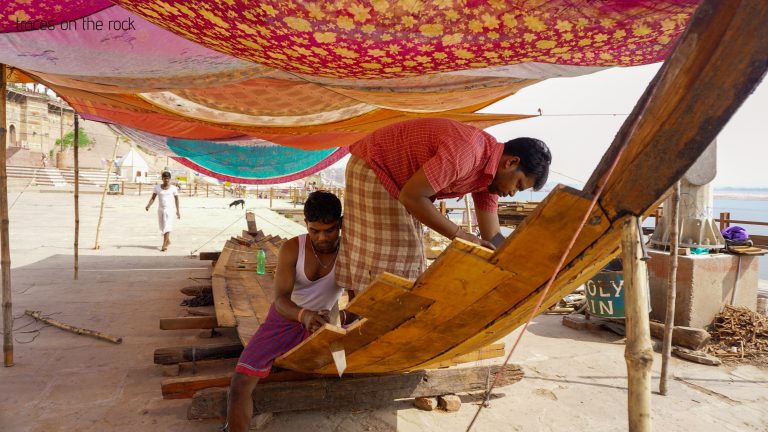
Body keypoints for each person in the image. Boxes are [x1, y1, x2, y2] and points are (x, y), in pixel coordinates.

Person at [336, 117, 551, 295]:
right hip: (374, 167)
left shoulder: (489, 180)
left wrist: (523, 264)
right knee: (392, 264)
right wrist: (461, 235)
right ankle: (364, 318)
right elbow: (412, 197)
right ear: (511, 163)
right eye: (519, 185)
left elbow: (492, 235)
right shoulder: (468, 153)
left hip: (402, 184)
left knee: (410, 261)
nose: (512, 193)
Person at [224, 191, 344, 432]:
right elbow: (279, 299)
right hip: (287, 318)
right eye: (314, 230)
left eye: (329, 230)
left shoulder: (351, 250)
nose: (322, 237)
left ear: (341, 224)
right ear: (306, 225)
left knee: (344, 369)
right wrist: (305, 316)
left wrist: (336, 321)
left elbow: (360, 293)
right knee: (239, 383)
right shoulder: (293, 248)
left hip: (325, 323)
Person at [145, 171, 180, 251]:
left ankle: (164, 244)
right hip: (160, 209)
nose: (166, 180)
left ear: (170, 179)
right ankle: (168, 241)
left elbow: (177, 199)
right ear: (162, 179)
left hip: (169, 210)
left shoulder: (173, 188)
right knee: (162, 226)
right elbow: (153, 197)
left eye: (168, 178)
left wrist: (178, 211)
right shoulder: (157, 187)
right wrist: (148, 205)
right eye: (165, 178)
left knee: (167, 226)